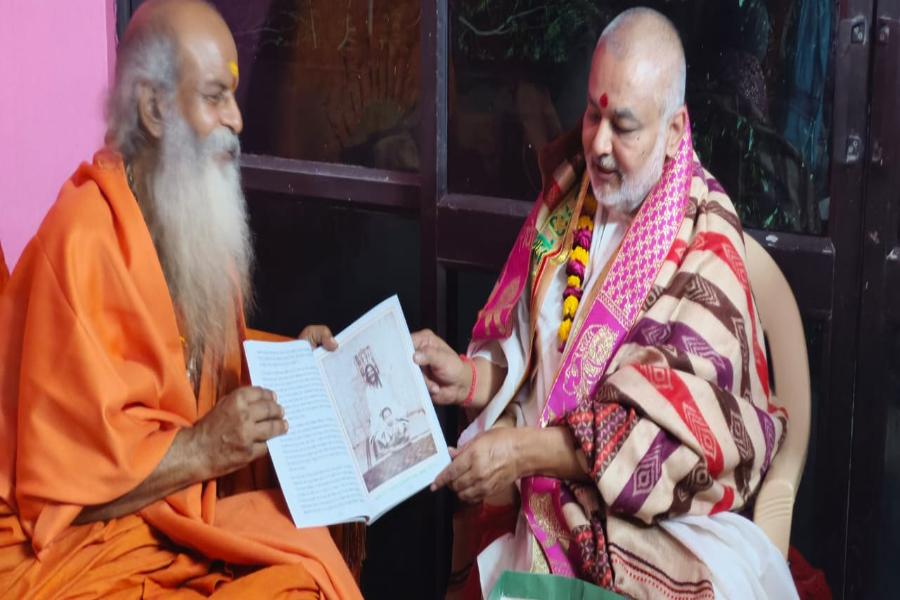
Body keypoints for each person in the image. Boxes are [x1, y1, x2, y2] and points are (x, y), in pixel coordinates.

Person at [413, 8, 794, 599]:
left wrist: (524, 453)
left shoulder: (707, 241)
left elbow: (686, 441)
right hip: (539, 503)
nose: (598, 144)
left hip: (658, 528)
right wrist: (465, 378)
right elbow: (534, 366)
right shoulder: (568, 200)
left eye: (624, 125)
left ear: (675, 129)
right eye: (593, 113)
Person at [0, 1, 361, 597]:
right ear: (155, 108)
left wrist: (291, 362)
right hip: (78, 543)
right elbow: (57, 492)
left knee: (302, 579)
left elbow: (195, 365)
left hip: (169, 518)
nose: (239, 119)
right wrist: (198, 448)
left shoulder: (193, 223)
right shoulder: (82, 239)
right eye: (216, 96)